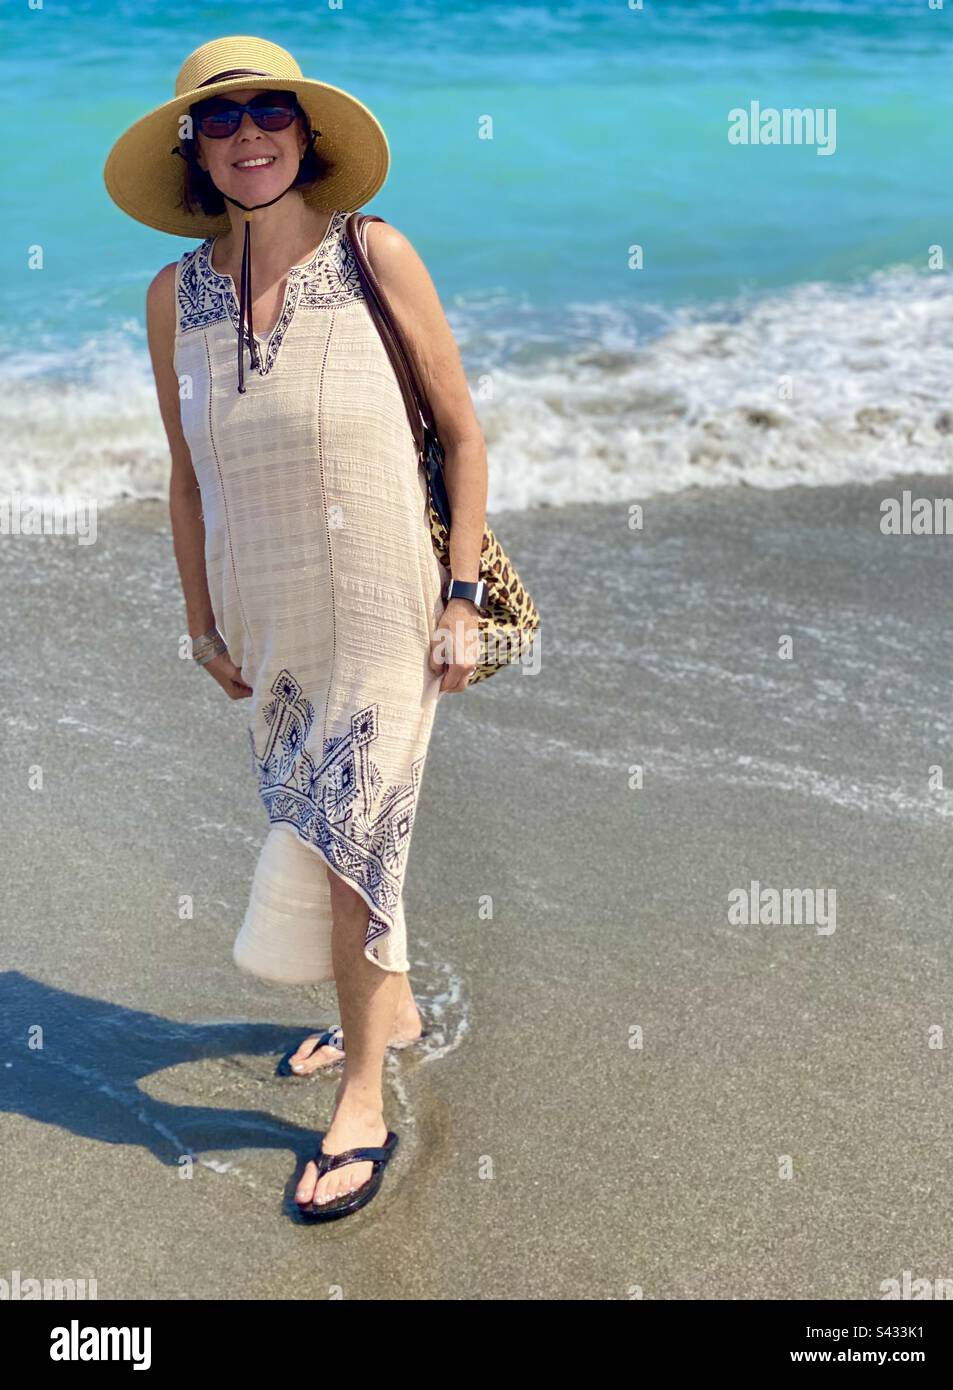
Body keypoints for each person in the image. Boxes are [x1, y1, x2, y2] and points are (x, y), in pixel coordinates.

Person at [104, 36, 488, 1220]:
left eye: (271, 111)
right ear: (194, 152)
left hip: (387, 603)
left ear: (306, 133)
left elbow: (463, 435)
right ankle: (398, 1008)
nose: (248, 135)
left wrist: (463, 597)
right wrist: (199, 618)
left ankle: (361, 1101)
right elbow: (185, 476)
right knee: (329, 834)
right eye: (220, 122)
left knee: (355, 833)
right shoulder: (177, 297)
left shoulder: (376, 256)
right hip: (266, 618)